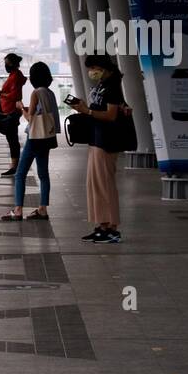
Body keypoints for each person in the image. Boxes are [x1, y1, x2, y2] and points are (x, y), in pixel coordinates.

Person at [71, 54, 131, 243]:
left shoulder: (112, 85)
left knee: (105, 185)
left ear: (104, 68)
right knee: (94, 184)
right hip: (96, 139)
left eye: (94, 68)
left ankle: (111, 229)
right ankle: (100, 225)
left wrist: (86, 111)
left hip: (107, 141)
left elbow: (111, 115)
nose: (91, 72)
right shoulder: (102, 85)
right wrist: (83, 107)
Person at [2, 62, 59, 221]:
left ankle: (18, 210)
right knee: (43, 175)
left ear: (34, 77)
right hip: (47, 138)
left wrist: (21, 107)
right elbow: (45, 114)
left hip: (34, 139)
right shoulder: (50, 93)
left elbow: (30, 119)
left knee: (20, 174)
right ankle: (42, 209)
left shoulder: (36, 93)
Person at [0, 52, 25, 176]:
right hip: (8, 110)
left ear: (12, 63)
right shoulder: (14, 74)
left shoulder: (16, 76)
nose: (5, 65)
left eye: (6, 63)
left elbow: (15, 95)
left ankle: (14, 166)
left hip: (11, 112)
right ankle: (14, 164)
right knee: (11, 137)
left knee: (12, 139)